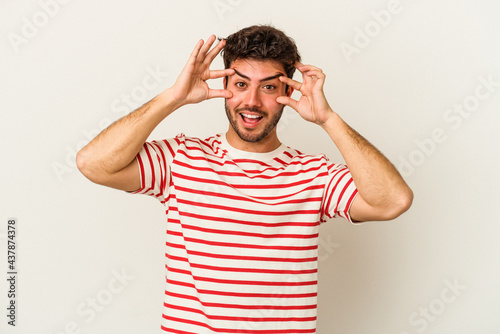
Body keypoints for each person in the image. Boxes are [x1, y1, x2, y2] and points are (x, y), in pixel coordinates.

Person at [77, 25, 413, 333]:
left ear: (288, 91)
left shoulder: (315, 174)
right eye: (241, 84)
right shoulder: (181, 159)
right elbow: (94, 164)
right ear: (224, 86)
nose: (252, 101)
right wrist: (172, 98)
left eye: (268, 87)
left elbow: (392, 201)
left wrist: (328, 119)